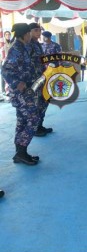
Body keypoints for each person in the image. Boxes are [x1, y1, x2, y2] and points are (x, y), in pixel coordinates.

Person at [2, 23, 41, 165]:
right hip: (20, 93)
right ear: (26, 34)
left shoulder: (22, 47)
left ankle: (21, 153)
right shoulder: (16, 49)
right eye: (30, 33)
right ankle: (21, 151)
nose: (31, 35)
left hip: (26, 91)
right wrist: (17, 83)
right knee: (33, 118)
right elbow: (5, 70)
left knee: (22, 120)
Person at [27, 23, 51, 136]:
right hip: (33, 81)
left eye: (39, 30)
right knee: (35, 105)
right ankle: (35, 129)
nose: (38, 32)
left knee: (43, 102)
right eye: (35, 30)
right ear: (29, 31)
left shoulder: (37, 43)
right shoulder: (27, 45)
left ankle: (40, 125)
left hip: (41, 78)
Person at [1, 30, 12, 94]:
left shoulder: (12, 42)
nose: (8, 36)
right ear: (4, 36)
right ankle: (5, 91)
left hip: (11, 62)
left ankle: (9, 90)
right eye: (6, 35)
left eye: (9, 34)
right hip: (4, 61)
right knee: (4, 76)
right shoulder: (2, 43)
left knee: (10, 75)